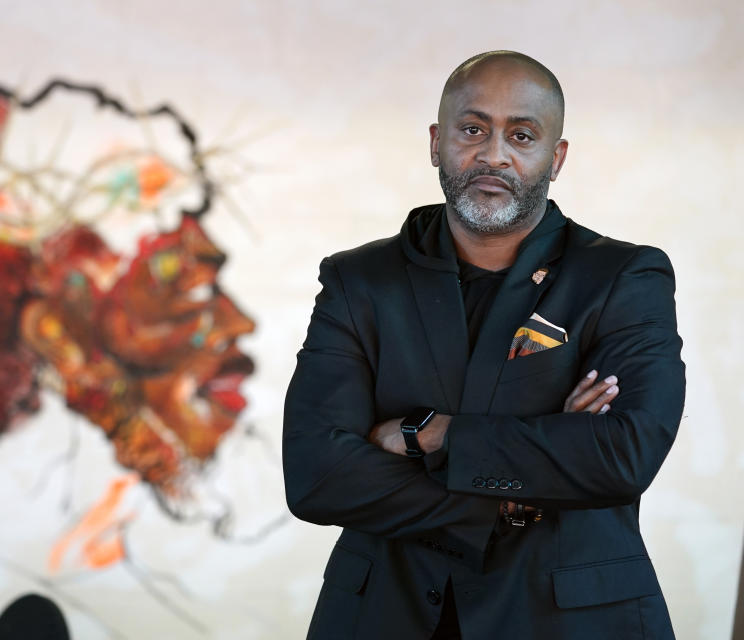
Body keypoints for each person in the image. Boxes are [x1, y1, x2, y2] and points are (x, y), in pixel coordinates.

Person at [282, 50, 685, 640]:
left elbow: (623, 455)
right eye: (473, 129)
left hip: (570, 620)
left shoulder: (623, 277)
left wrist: (431, 432)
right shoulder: (358, 280)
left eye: (522, 135)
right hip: (384, 615)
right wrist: (510, 498)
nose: (494, 154)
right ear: (436, 141)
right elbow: (317, 475)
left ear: (557, 158)